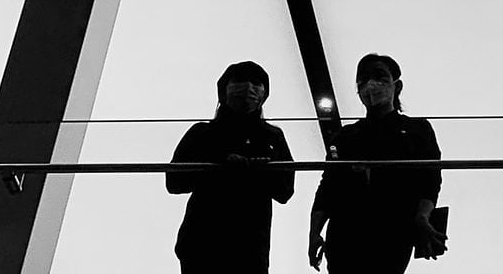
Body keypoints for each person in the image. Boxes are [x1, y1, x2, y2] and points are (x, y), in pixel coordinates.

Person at [309, 54, 446, 272]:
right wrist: (314, 232)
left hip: (392, 229)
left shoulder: (417, 129)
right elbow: (328, 188)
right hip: (347, 231)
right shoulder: (346, 136)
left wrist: (422, 216)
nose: (371, 84)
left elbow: (430, 180)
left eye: (380, 76)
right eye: (363, 79)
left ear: (396, 86)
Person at [168, 60, 295, 274]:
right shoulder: (202, 132)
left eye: (256, 82)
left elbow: (285, 190)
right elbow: (174, 181)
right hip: (203, 244)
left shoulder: (272, 135)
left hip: (250, 246)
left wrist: (259, 172)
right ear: (223, 90)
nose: (248, 87)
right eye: (240, 80)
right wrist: (221, 164)